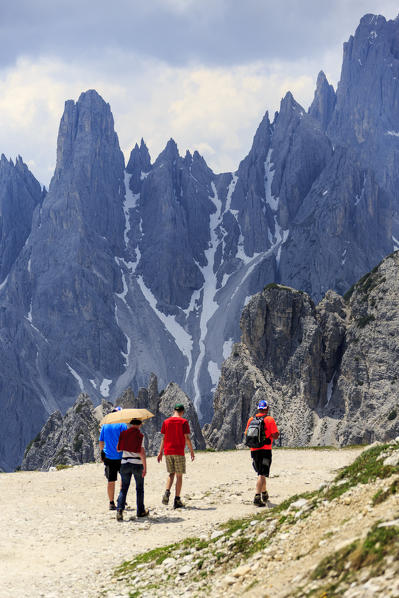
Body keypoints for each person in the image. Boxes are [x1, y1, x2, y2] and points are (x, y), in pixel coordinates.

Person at [157, 403, 195, 509]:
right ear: (182, 412)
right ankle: (177, 500)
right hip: (178, 451)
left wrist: (160, 452)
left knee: (171, 474)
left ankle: (167, 491)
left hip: (168, 451)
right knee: (179, 476)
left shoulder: (166, 422)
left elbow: (163, 438)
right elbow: (187, 438)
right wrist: (191, 451)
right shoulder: (184, 422)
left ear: (174, 410)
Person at [244, 399, 279, 507]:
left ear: (258, 409)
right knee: (262, 473)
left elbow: (246, 433)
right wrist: (269, 436)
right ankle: (257, 497)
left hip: (254, 450)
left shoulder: (251, 419)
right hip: (265, 450)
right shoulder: (269, 419)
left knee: (261, 472)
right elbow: (275, 435)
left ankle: (264, 494)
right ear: (267, 409)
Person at [115, 418, 148, 521]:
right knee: (139, 488)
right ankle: (140, 511)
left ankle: (119, 510)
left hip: (124, 463)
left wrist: (127, 445)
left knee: (124, 488)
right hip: (137, 464)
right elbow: (142, 452)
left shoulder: (123, 434)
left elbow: (118, 449)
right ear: (139, 425)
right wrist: (145, 467)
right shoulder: (140, 436)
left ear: (131, 424)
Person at [99, 407, 127, 510]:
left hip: (108, 456)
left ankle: (111, 503)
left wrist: (102, 453)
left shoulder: (105, 426)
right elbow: (125, 439)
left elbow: (101, 441)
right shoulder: (122, 425)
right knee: (124, 478)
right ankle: (121, 499)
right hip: (121, 456)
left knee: (111, 480)